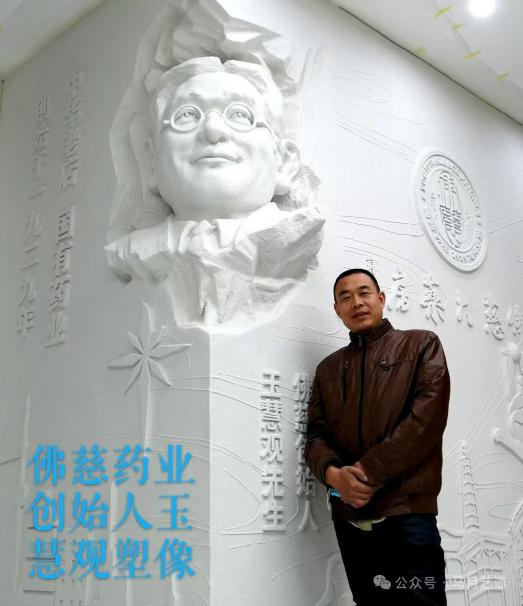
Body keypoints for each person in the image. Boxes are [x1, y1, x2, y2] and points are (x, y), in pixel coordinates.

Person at [105, 57, 323, 330]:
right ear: (151, 162)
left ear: (284, 162)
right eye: (187, 115)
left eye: (239, 115)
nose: (213, 130)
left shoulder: (294, 240)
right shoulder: (133, 253)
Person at [305, 268, 450, 605]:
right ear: (337, 310)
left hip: (407, 512)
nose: (356, 302)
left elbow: (425, 422)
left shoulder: (421, 344)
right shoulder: (327, 369)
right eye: (345, 297)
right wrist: (334, 476)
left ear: (381, 299)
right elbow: (315, 436)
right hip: (350, 518)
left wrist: (366, 473)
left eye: (364, 292)